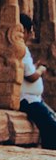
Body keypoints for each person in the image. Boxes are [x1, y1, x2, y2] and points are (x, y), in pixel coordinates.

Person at [19, 15, 56, 150]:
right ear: (25, 31)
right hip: (27, 100)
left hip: (33, 98)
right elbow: (31, 77)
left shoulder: (23, 50)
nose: (32, 35)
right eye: (31, 31)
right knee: (50, 125)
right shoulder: (21, 49)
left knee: (52, 118)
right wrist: (40, 70)